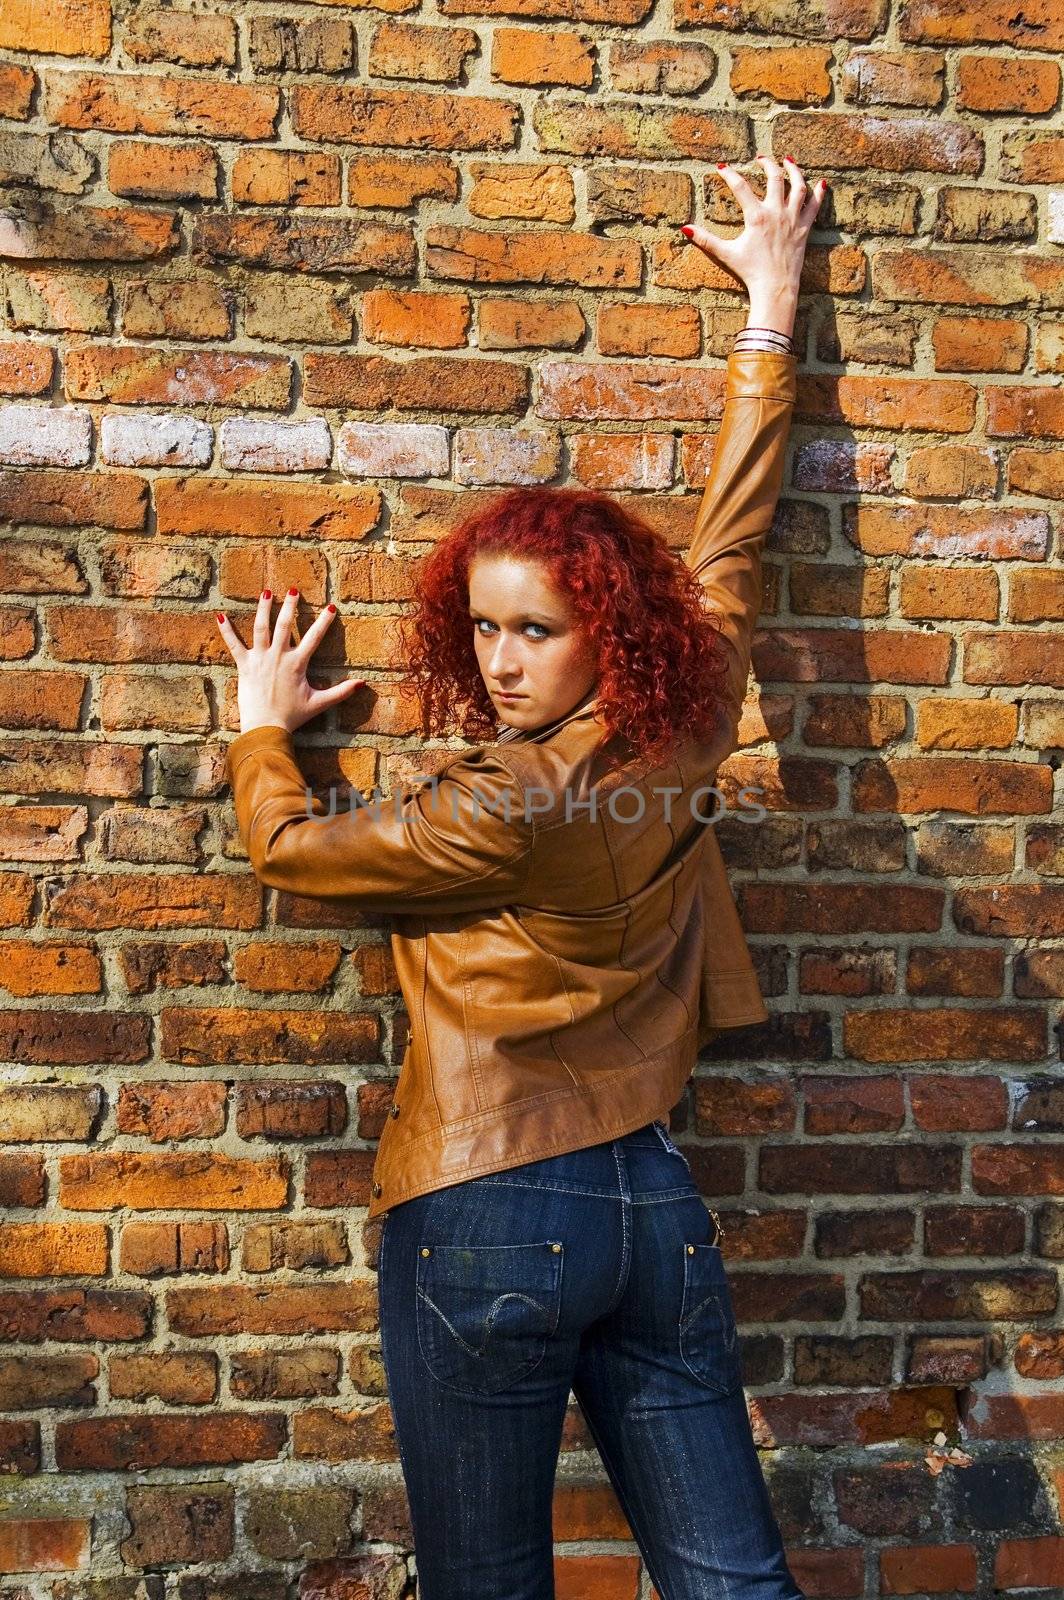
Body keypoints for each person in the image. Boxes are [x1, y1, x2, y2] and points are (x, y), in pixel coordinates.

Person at [219, 155, 825, 1600]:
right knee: (732, 1582)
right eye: (483, 627)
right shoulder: (687, 711)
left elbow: (298, 849)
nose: (498, 660)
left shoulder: (506, 799)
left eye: (533, 631)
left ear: (599, 631)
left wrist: (259, 729)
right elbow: (733, 536)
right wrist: (772, 308)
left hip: (488, 1201)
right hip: (653, 1205)